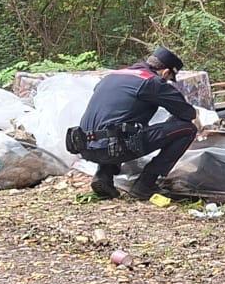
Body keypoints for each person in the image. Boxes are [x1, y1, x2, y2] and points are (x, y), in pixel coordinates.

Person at [77, 47, 199, 200]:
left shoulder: (113, 75)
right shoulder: (152, 82)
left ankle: (103, 177)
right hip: (113, 148)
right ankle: (145, 185)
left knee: (117, 127)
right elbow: (187, 113)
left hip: (84, 146)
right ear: (166, 72)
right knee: (187, 129)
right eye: (168, 78)